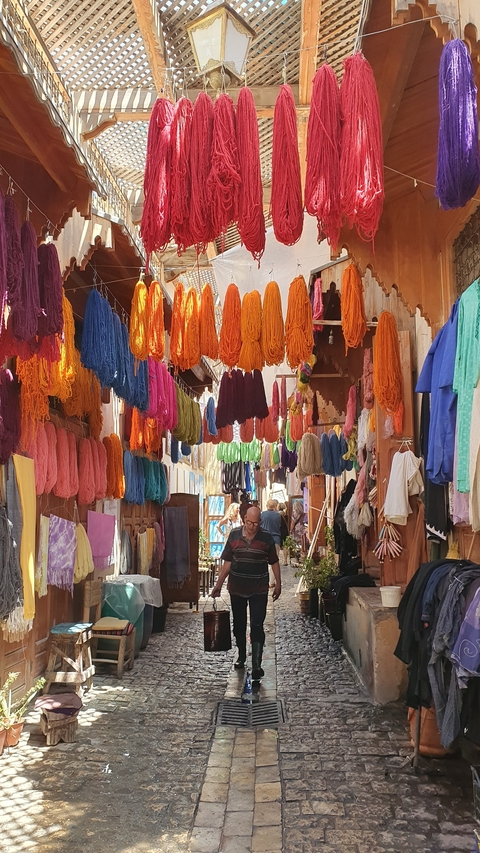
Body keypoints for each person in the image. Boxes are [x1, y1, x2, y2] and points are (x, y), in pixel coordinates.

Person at [211, 505, 281, 679]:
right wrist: (218, 584)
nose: (252, 526)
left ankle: (256, 664)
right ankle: (242, 655)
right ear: (244, 519)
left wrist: (278, 583)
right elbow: (227, 563)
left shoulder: (266, 538)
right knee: (239, 624)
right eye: (250, 522)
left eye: (256, 523)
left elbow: (274, 561)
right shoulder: (234, 535)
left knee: (257, 624)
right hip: (237, 588)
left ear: (260, 522)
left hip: (259, 589)